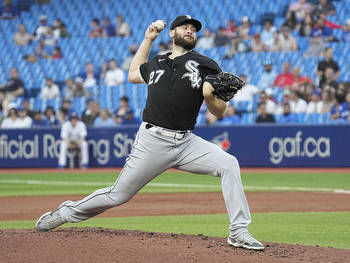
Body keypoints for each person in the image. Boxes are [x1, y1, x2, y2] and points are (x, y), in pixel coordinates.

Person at [35, 15, 264, 251]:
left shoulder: (207, 64)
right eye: (184, 27)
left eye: (193, 29)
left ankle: (238, 231)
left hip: (186, 142)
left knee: (229, 164)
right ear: (172, 33)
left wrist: (209, 97)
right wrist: (147, 39)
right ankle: (66, 212)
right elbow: (133, 74)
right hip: (152, 141)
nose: (190, 30)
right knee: (118, 195)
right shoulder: (157, 61)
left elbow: (220, 111)